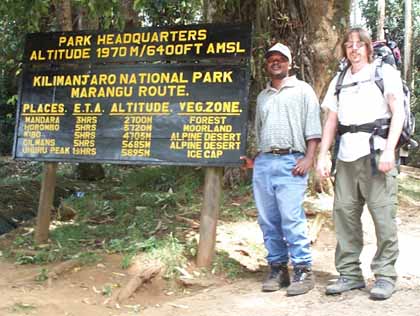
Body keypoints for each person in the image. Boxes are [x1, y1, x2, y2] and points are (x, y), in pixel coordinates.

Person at [316, 27, 405, 300]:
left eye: (359, 44)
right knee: (344, 215)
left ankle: (385, 276)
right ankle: (350, 274)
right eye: (349, 44)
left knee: (382, 217)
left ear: (368, 48)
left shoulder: (384, 73)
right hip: (346, 157)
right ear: (344, 49)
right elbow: (332, 119)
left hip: (376, 156)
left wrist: (390, 149)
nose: (354, 49)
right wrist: (323, 154)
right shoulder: (339, 79)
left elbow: (398, 111)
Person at [243, 42, 322, 296]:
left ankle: (303, 269)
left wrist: (309, 158)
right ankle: (278, 269)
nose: (275, 62)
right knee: (268, 219)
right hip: (265, 162)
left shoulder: (303, 90)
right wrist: (257, 159)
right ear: (267, 65)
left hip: (292, 161)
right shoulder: (263, 96)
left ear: (289, 63)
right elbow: (259, 131)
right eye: (271, 59)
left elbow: (313, 127)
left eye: (281, 59)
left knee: (291, 217)